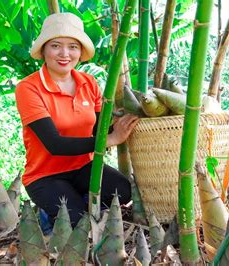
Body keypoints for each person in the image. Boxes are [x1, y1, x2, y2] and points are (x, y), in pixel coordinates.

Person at [15, 12, 139, 227]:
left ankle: (77, 203)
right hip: (45, 176)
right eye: (55, 46)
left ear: (80, 52)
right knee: (79, 222)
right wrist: (110, 140)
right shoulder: (28, 88)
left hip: (84, 167)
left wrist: (127, 119)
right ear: (44, 49)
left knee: (123, 191)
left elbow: (99, 129)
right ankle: (50, 213)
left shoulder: (88, 82)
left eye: (73, 46)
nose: (65, 53)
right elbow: (55, 145)